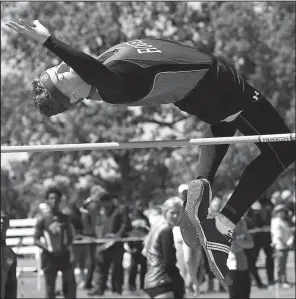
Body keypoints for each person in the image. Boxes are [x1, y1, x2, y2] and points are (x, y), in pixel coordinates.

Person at [5, 19, 296, 288]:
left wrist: (55, 47)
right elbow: (90, 69)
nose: (66, 67)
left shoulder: (102, 68)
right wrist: (50, 41)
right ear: (74, 97)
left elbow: (87, 65)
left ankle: (201, 182)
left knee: (223, 124)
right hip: (218, 83)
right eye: (63, 74)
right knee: (284, 149)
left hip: (204, 92)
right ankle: (223, 224)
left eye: (61, 66)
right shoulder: (111, 86)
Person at [33, 186, 77, 299]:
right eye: (51, 198)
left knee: (70, 284)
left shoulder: (65, 218)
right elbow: (36, 239)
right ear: (47, 200)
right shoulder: (43, 219)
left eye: (56, 198)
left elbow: (71, 236)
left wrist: (66, 246)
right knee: (50, 287)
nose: (54, 201)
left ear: (60, 200)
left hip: (63, 255)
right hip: (49, 257)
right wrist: (47, 247)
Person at [89, 192, 131, 296]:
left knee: (117, 268)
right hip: (103, 244)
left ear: (109, 201)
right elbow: (97, 226)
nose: (102, 205)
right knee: (101, 267)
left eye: (104, 202)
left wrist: (118, 236)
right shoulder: (100, 212)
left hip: (116, 245)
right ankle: (99, 289)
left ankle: (117, 290)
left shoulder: (119, 210)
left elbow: (126, 224)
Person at [143, 197, 185, 299]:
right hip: (163, 282)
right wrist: (180, 282)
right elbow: (168, 261)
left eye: (178, 213)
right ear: (165, 212)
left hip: (151, 281)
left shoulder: (156, 226)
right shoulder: (166, 230)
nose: (175, 216)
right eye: (172, 212)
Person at [226, 217, 254, 299]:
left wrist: (240, 242)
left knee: (245, 294)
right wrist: (242, 243)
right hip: (231, 267)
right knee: (234, 295)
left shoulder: (241, 229)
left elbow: (251, 243)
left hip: (243, 266)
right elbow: (233, 247)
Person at [126, 200, 150, 292]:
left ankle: (143, 286)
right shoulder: (131, 217)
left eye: (142, 206)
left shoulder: (145, 217)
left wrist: (144, 227)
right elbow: (127, 230)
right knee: (133, 267)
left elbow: (149, 230)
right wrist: (130, 245)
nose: (141, 207)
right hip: (133, 244)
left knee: (143, 266)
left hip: (143, 244)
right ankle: (131, 285)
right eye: (139, 205)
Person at [271, 204, 294, 288]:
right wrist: (284, 243)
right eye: (279, 212)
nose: (281, 213)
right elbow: (277, 235)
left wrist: (289, 242)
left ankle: (284, 280)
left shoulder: (285, 221)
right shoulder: (275, 221)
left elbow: (289, 233)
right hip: (279, 246)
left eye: (283, 212)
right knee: (280, 265)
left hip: (286, 246)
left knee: (283, 264)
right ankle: (280, 281)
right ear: (276, 213)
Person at [1, 209, 18, 299]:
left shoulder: (10, 256)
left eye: (4, 218)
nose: (1, 221)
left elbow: (11, 290)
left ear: (8, 224)